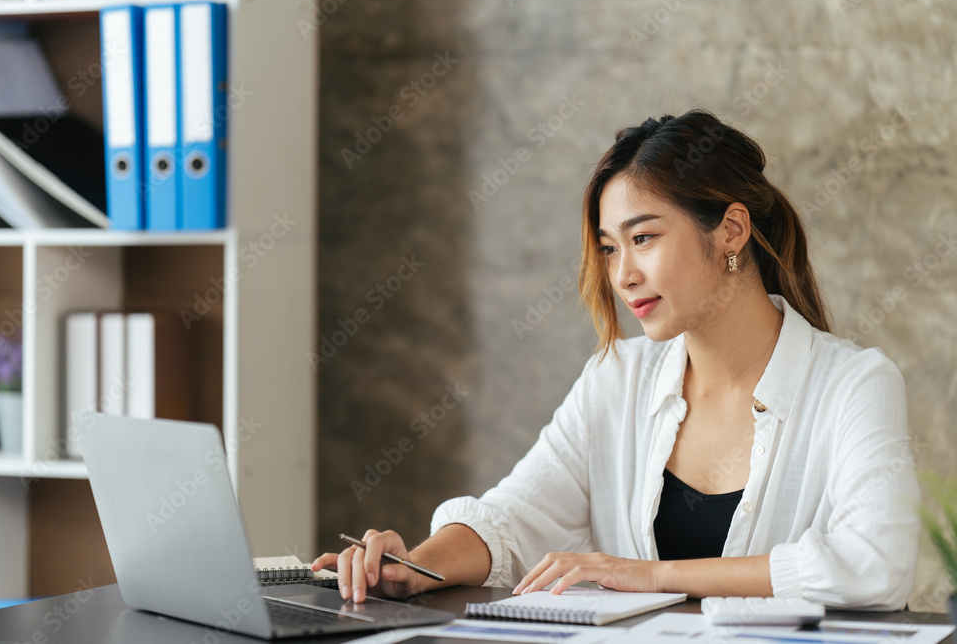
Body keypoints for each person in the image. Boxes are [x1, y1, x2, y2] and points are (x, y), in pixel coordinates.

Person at [313, 110, 920, 611]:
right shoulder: (618, 379)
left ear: (731, 230)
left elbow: (876, 566)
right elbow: (514, 518)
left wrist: (652, 576)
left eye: (644, 238)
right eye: (609, 248)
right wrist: (413, 566)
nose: (623, 275)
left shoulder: (853, 385)